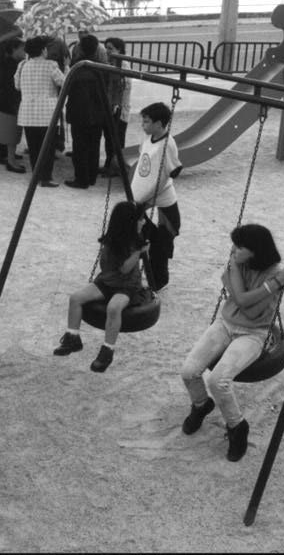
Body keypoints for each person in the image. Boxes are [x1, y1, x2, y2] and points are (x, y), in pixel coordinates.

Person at [179, 224, 284, 462]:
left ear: (255, 251)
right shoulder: (268, 277)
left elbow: (252, 314)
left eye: (239, 247)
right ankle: (201, 405)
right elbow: (241, 300)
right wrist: (269, 288)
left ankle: (237, 427)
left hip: (254, 333)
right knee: (189, 371)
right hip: (225, 323)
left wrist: (249, 294)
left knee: (218, 381)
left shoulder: (275, 272)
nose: (233, 250)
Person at [53, 201, 149, 373]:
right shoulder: (113, 242)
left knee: (113, 307)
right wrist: (138, 252)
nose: (144, 222)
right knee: (75, 298)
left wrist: (140, 249)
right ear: (128, 223)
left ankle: (107, 350)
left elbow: (127, 270)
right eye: (140, 219)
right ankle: (72, 338)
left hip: (127, 288)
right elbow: (121, 267)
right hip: (107, 282)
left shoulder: (137, 240)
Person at [130, 102, 182, 291]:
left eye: (146, 122)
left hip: (162, 198)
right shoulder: (148, 138)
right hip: (141, 197)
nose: (143, 125)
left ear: (159, 124)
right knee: (136, 232)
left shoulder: (167, 144)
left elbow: (173, 171)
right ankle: (142, 270)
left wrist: (148, 195)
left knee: (165, 236)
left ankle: (159, 280)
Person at [15, 35, 65, 187]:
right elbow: (63, 82)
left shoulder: (22, 65)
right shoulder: (51, 65)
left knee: (34, 146)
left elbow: (17, 85)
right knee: (48, 147)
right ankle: (46, 177)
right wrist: (67, 67)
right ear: (43, 50)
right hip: (47, 113)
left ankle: (35, 176)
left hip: (28, 112)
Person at [64, 34, 108, 189]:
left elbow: (68, 88)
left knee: (80, 146)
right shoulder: (101, 66)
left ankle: (81, 178)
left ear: (80, 48)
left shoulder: (77, 66)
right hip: (97, 111)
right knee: (94, 144)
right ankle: (91, 176)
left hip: (79, 111)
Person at [0, 38, 27, 173]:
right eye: (22, 48)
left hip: (8, 103)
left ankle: (11, 157)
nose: (25, 51)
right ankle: (11, 161)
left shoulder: (10, 63)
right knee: (11, 133)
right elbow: (13, 87)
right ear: (14, 49)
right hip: (10, 103)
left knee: (13, 133)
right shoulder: (11, 65)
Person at [100, 37, 132, 177]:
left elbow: (123, 86)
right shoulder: (110, 63)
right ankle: (109, 164)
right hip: (110, 106)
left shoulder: (122, 64)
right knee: (109, 137)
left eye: (110, 48)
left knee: (116, 138)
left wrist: (116, 104)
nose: (107, 51)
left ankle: (116, 167)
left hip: (119, 108)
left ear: (119, 50)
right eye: (106, 47)